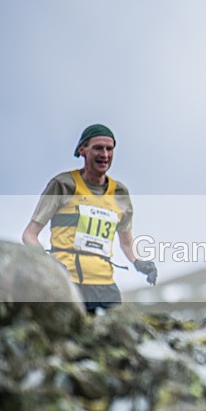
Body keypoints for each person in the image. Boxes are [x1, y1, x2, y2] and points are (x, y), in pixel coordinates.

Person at [22, 123, 157, 312]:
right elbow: (29, 235)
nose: (105, 154)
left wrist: (139, 262)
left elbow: (126, 243)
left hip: (105, 286)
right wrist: (50, 266)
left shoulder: (120, 193)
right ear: (82, 150)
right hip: (69, 283)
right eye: (98, 148)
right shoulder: (63, 185)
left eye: (109, 149)